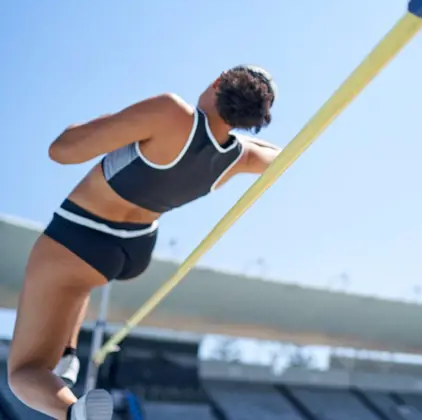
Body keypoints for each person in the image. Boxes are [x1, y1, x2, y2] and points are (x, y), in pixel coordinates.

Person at [8, 65, 281, 420]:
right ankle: (67, 356)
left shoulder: (170, 113)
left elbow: (61, 151)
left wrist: (117, 122)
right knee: (77, 283)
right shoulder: (240, 157)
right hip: (130, 252)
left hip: (79, 234)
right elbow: (283, 154)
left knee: (24, 373)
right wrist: (244, 133)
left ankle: (75, 413)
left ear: (217, 83)